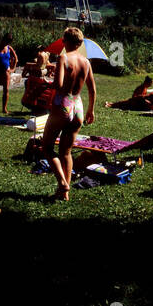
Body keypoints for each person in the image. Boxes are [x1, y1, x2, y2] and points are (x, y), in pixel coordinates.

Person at [40, 27, 97, 201]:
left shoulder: (63, 57)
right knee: (66, 151)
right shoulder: (86, 62)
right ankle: (64, 193)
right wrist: (91, 109)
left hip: (63, 104)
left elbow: (58, 85)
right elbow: (92, 89)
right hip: (78, 106)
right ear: (80, 44)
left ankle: (63, 183)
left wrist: (49, 79)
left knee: (47, 147)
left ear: (65, 41)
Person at [0, 34, 19, 113]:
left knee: (6, 90)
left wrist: (13, 69)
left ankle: (4, 108)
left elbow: (16, 58)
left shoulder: (9, 48)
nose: (7, 43)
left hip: (6, 72)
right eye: (6, 41)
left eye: (9, 42)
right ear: (3, 39)